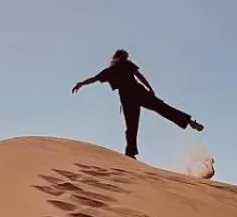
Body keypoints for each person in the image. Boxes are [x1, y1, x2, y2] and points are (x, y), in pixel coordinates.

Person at [72, 49, 205, 159]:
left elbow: (139, 76)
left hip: (136, 93)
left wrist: (150, 88)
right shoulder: (110, 71)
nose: (124, 59)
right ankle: (130, 153)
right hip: (130, 96)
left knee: (160, 108)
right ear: (117, 58)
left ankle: (189, 121)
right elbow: (95, 79)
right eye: (123, 57)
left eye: (126, 57)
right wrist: (81, 83)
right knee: (132, 125)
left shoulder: (125, 66)